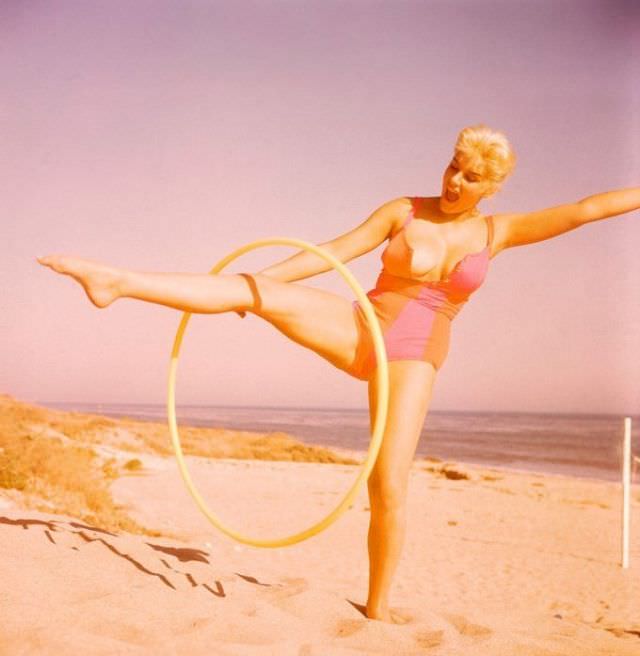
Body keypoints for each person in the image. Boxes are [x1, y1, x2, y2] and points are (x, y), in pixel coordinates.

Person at [37, 124, 640, 624]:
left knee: (388, 484)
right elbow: (334, 250)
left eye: (471, 176)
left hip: (413, 356)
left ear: (494, 186)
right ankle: (115, 281)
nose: (455, 181)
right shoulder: (402, 210)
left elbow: (586, 211)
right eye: (452, 166)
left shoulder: (496, 231)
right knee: (253, 291)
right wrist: (267, 283)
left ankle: (377, 609)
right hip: (360, 323)